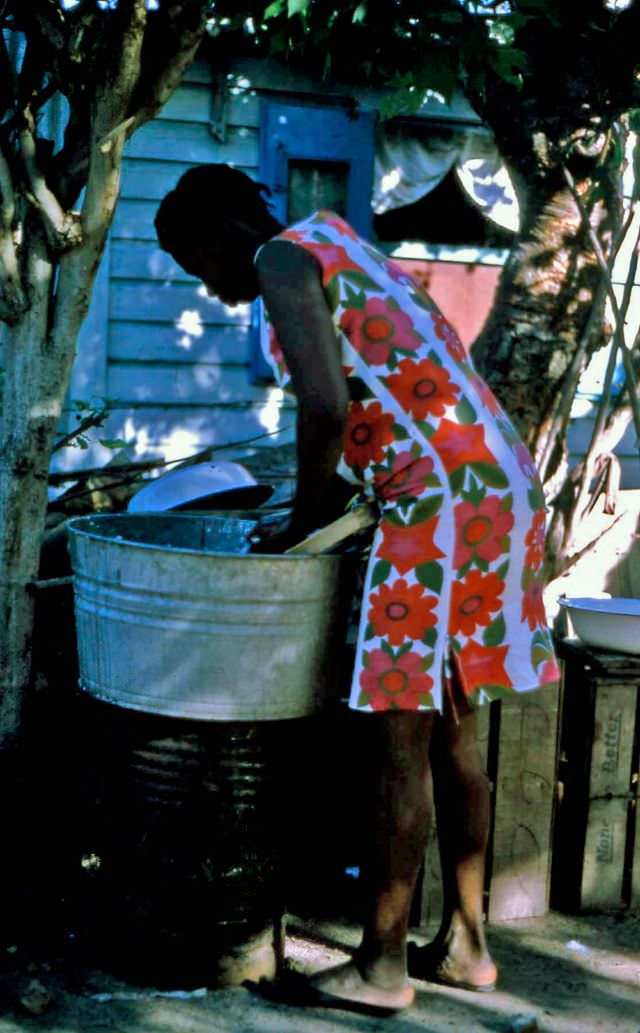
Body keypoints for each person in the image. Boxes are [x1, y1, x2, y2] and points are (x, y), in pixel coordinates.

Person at [154, 164, 560, 1015]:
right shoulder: (336, 238)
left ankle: (381, 965)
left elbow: (325, 407)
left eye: (199, 267)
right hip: (495, 485)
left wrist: (303, 520)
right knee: (454, 725)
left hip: (434, 500)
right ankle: (468, 944)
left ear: (218, 236)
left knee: (395, 737)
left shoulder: (277, 260)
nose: (213, 288)